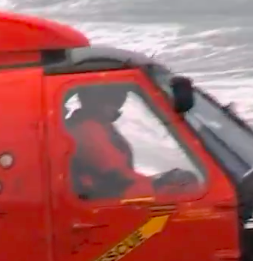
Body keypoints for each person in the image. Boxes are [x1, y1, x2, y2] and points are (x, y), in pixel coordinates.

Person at [66, 85, 200, 200]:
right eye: (115, 100)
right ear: (99, 100)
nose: (118, 108)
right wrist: (158, 184)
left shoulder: (97, 124)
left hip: (113, 192)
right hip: (110, 199)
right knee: (185, 189)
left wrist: (158, 180)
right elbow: (118, 176)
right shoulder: (88, 130)